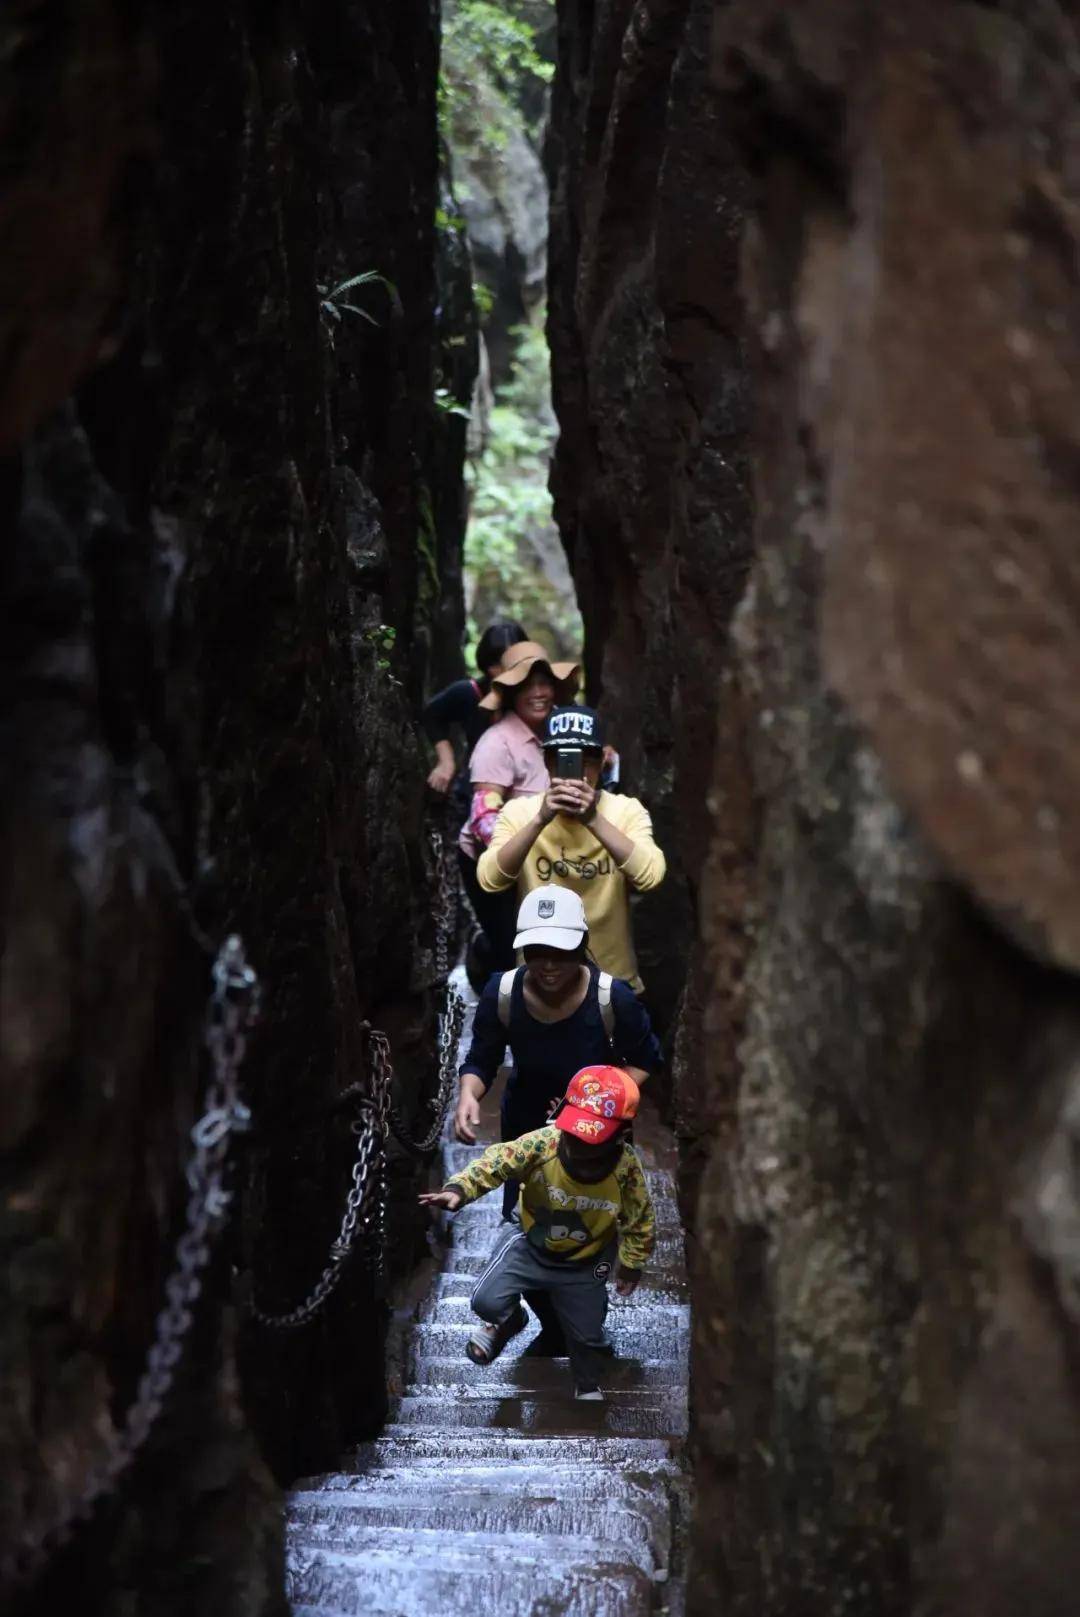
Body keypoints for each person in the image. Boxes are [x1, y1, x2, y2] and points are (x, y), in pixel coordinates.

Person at [419, 1066, 655, 1401]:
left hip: (585, 1262)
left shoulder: (626, 1169)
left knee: (588, 1336)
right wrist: (461, 1188)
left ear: (620, 1135)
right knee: (484, 1299)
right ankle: (509, 1320)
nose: (581, 1147)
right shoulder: (545, 1143)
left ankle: (587, 1384)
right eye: (575, 1135)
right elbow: (498, 1161)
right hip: (530, 1242)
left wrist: (632, 1263)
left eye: (594, 1140)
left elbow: (639, 1218)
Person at [455, 884, 661, 1222]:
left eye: (561, 952)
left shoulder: (613, 998)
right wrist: (468, 1095)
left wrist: (592, 1103)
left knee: (592, 1221)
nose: (548, 964)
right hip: (527, 1125)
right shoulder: (502, 993)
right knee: (526, 1219)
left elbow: (645, 1060)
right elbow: (482, 1059)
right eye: (537, 951)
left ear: (581, 947)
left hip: (598, 1135)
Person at [476, 705, 665, 994]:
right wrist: (540, 820)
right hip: (539, 984)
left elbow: (650, 877)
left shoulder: (626, 811)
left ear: (601, 762)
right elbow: (490, 880)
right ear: (547, 762)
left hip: (612, 983)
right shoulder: (520, 813)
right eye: (562, 760)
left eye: (584, 761)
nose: (575, 772)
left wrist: (592, 819)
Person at [458, 642, 580, 977]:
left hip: (547, 857)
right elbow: (484, 815)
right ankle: (485, 963)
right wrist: (518, 851)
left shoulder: (561, 733)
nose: (539, 693)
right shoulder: (496, 744)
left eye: (545, 683)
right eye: (528, 686)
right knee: (509, 945)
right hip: (496, 856)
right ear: (512, 693)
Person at [421, 619, 527, 802]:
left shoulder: (539, 694)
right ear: (487, 665)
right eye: (496, 665)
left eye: (514, 663)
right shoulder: (469, 693)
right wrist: (446, 760)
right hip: (477, 790)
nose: (505, 672)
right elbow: (431, 714)